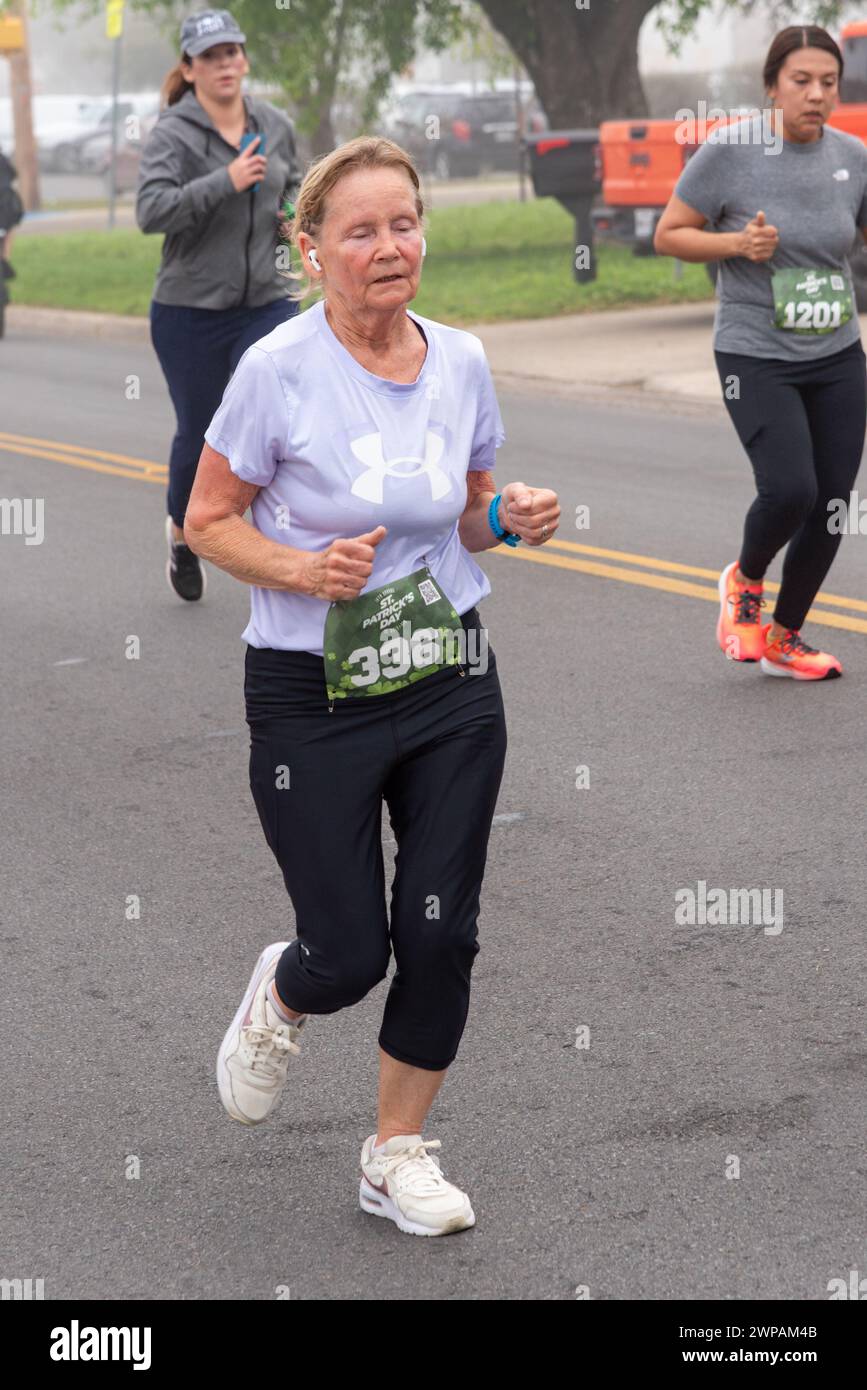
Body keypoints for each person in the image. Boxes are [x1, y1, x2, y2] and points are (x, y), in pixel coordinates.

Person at [183, 136, 560, 1236]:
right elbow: (205, 521)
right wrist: (305, 569)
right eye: (361, 229)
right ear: (311, 249)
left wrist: (514, 517)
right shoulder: (277, 371)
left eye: (405, 223)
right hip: (312, 691)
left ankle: (395, 1152)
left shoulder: (465, 360)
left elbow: (470, 510)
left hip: (447, 669)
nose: (391, 246)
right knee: (351, 950)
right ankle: (287, 991)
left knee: (441, 930)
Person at [655, 25, 867, 680]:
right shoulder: (729, 153)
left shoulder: (853, 156)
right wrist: (734, 248)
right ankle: (744, 580)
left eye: (827, 82)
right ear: (771, 85)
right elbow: (670, 234)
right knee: (790, 490)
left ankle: (784, 636)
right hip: (755, 352)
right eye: (800, 81)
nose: (815, 94)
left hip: (835, 349)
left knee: (832, 504)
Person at [136, 8, 302, 602]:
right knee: (205, 431)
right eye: (211, 56)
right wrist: (224, 182)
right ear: (190, 67)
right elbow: (150, 211)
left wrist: (297, 227)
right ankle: (184, 536)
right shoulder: (173, 134)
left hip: (266, 302)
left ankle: (296, 534)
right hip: (190, 311)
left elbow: (297, 195)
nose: (225, 63)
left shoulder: (274, 123)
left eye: (232, 52)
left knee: (294, 410)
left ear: (244, 59)